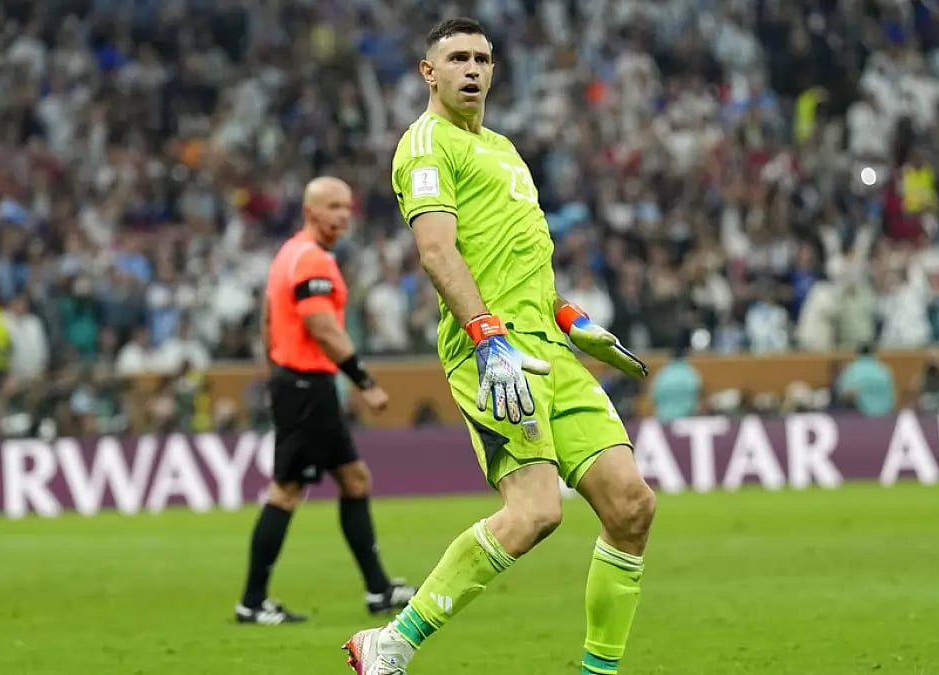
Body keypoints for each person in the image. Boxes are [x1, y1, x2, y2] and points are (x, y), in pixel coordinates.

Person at [344, 18, 655, 675]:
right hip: (494, 355)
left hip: (550, 349)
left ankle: (598, 672)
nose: (472, 68)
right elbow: (435, 250)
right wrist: (487, 335)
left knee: (631, 503)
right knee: (536, 511)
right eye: (456, 57)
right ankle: (391, 643)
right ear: (429, 72)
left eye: (482, 57)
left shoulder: (506, 150)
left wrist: (571, 317)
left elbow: (519, 261)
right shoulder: (425, 144)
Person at [235, 176, 415, 625]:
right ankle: (253, 602)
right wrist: (363, 380)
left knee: (355, 479)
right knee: (287, 491)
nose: (341, 216)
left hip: (300, 383)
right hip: (305, 386)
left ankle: (378, 589)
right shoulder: (312, 261)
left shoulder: (290, 255)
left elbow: (268, 317)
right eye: (332, 206)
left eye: (346, 207)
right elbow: (322, 327)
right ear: (310, 211)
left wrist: (274, 361)